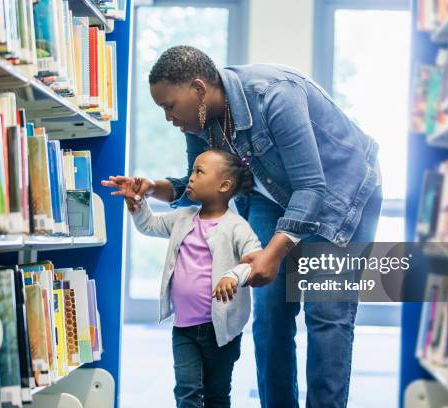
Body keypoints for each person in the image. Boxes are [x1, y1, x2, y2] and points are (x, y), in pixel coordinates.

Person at [113, 45, 382, 408]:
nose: (168, 118)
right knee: (270, 317)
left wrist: (274, 251)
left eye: (170, 106)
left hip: (342, 194)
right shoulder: (200, 121)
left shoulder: (274, 95)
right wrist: (152, 188)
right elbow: (199, 187)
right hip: (273, 198)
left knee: (326, 314)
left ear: (197, 89)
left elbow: (311, 187)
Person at [103, 150, 262, 408]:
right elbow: (150, 226)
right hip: (184, 328)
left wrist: (233, 276)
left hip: (222, 332)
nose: (190, 178)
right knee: (186, 390)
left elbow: (254, 260)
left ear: (224, 186)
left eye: (199, 172)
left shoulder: (237, 226)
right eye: (192, 171)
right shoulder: (183, 216)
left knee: (217, 395)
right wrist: (138, 205)